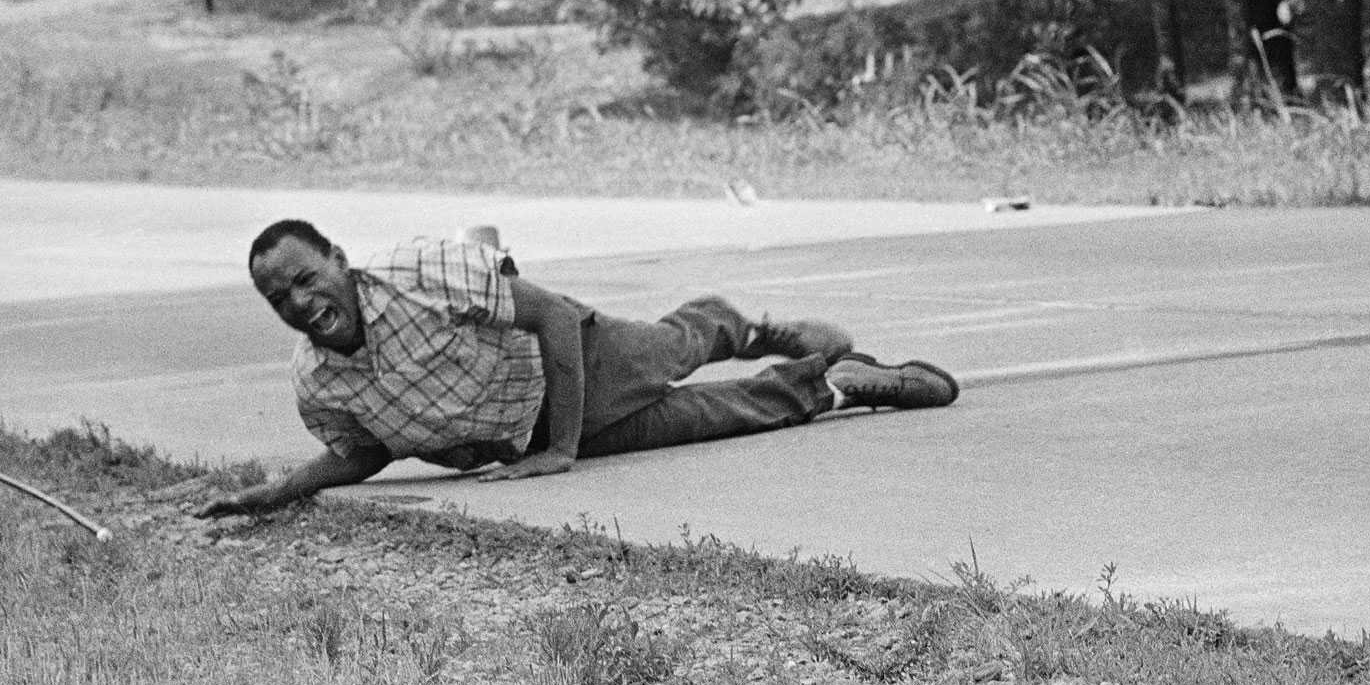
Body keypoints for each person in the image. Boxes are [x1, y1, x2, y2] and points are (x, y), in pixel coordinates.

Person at [192, 219, 960, 516]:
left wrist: (559, 451)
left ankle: (739, 323)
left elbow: (553, 315)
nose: (299, 301)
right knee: (711, 417)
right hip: (527, 437)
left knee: (675, 350)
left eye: (304, 276)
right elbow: (363, 450)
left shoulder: (413, 271)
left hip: (573, 360)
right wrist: (280, 491)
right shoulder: (319, 382)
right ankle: (838, 381)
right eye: (277, 297)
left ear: (337, 259)